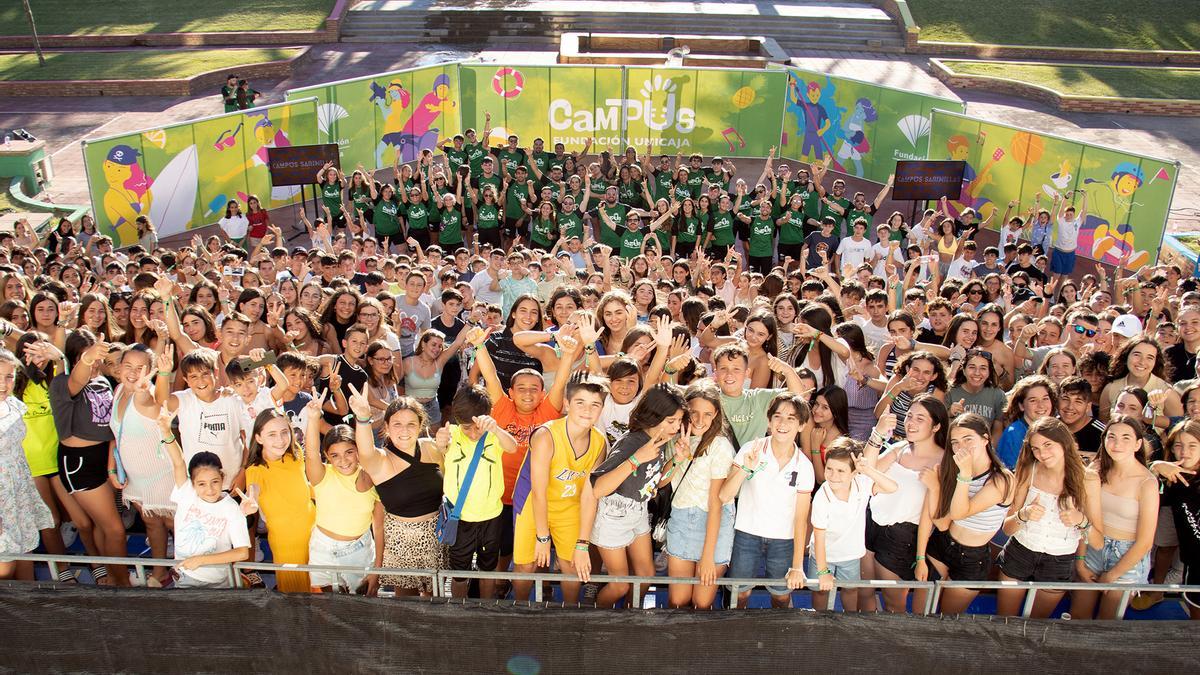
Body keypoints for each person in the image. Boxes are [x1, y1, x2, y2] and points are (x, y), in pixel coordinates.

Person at [577, 384, 687, 607]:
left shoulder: (660, 439)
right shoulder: (632, 442)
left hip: (638, 511)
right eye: (671, 421)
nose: (676, 427)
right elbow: (598, 488)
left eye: (678, 421)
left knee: (646, 576)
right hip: (613, 518)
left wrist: (676, 459)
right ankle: (595, 617)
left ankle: (629, 617)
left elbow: (654, 483)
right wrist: (636, 458)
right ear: (654, 416)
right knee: (620, 584)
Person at [995, 418, 1100, 618]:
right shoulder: (1029, 470)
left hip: (1059, 561)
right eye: (1035, 448)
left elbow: (1098, 541)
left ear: (1064, 442)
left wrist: (1081, 520)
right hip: (1020, 552)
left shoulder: (1089, 479)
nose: (1042, 454)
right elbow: (1007, 529)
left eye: (1048, 445)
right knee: (1004, 620)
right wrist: (1023, 515)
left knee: (1036, 624)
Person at [721, 392, 814, 608]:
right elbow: (725, 495)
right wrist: (746, 468)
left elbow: (801, 519)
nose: (783, 423)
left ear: (801, 425)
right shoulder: (750, 450)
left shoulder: (805, 466)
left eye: (791, 418)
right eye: (778, 416)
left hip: (784, 541)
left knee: (781, 596)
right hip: (746, 535)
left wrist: (798, 565)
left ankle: (777, 638)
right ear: (769, 421)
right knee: (740, 594)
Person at [914, 413, 1014, 614]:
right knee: (920, 613)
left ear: (986, 439)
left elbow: (960, 513)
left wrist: (963, 476)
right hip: (942, 545)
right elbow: (942, 524)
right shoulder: (951, 471)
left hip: (972, 558)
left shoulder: (1001, 480)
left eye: (968, 439)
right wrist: (920, 558)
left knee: (947, 618)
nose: (961, 447)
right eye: (955, 442)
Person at [863, 396, 948, 613]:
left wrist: (920, 557)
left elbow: (935, 515)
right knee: (864, 593)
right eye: (909, 416)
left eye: (920, 418)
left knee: (893, 603)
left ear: (936, 426)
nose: (911, 422)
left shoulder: (943, 462)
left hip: (901, 538)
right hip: (871, 524)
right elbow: (866, 469)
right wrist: (878, 433)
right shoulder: (900, 447)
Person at [1070, 414, 1157, 619]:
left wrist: (1112, 575)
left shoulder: (1147, 483)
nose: (1117, 443)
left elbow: (1145, 542)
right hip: (1092, 547)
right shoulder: (1096, 469)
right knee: (1077, 617)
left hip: (1127, 555)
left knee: (1107, 623)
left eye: (1126, 437)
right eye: (1111, 436)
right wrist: (1080, 561)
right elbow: (1084, 518)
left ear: (1137, 444)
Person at [436, 386, 518, 599]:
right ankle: (459, 610)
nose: (473, 433)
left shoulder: (493, 436)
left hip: (491, 517)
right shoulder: (451, 435)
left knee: (488, 570)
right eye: (466, 428)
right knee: (459, 574)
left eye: (477, 427)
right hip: (458, 518)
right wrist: (440, 443)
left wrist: (496, 429)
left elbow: (513, 447)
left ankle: (486, 608)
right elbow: (439, 450)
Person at [157, 406, 252, 588]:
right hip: (184, 578)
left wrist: (202, 560)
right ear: (192, 483)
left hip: (216, 583)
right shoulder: (187, 494)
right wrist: (166, 432)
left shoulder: (230, 507)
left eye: (214, 482)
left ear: (222, 478)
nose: (209, 489)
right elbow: (178, 462)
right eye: (201, 484)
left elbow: (241, 553)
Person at [809, 437, 897, 612]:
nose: (834, 476)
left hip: (850, 555)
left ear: (854, 471)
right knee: (820, 592)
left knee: (850, 591)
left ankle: (849, 621)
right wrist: (822, 571)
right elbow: (819, 537)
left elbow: (892, 487)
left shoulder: (861, 484)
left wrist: (868, 470)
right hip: (823, 556)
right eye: (829, 469)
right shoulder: (822, 497)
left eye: (841, 471)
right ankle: (818, 620)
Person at [0, 349, 54, 581]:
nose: (4, 384)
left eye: (9, 376)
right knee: (5, 568)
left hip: (18, 490)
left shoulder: (14, 405)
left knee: (25, 553)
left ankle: (27, 611)